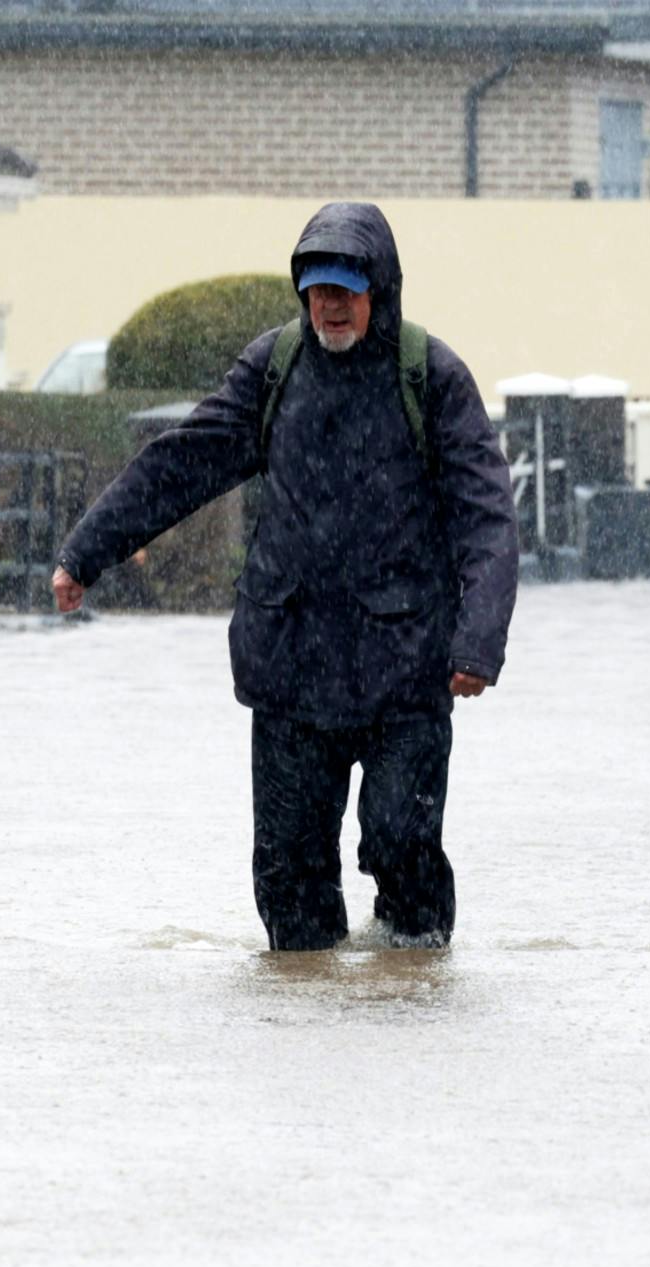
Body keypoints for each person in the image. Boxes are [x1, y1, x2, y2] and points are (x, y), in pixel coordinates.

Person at [53, 201, 517, 950]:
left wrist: (478, 644)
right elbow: (185, 461)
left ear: (380, 290)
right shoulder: (273, 368)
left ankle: (413, 980)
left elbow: (487, 518)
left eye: (346, 289)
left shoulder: (430, 376)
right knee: (289, 876)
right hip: (292, 662)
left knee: (401, 841)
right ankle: (304, 1014)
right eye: (318, 289)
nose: (330, 305)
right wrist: (87, 552)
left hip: (405, 667)